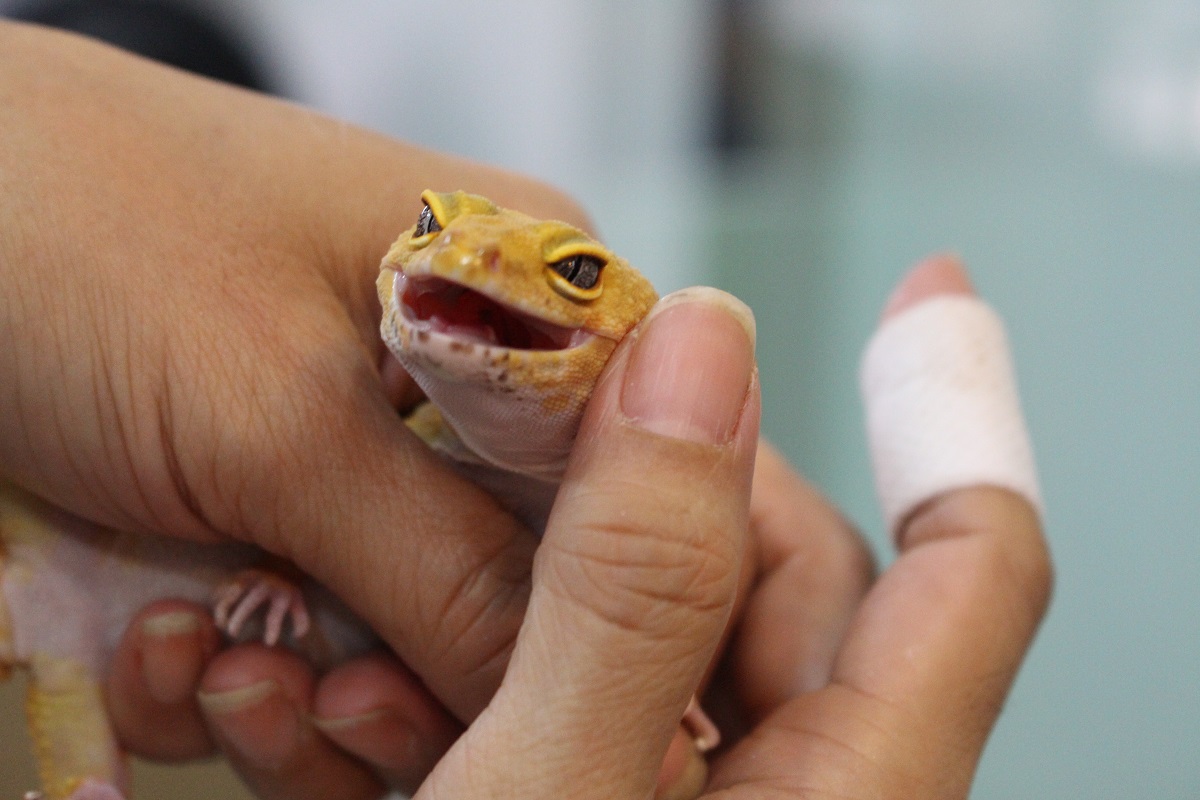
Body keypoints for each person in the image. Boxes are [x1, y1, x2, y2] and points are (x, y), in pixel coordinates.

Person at [0, 20, 1052, 800]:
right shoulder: (381, 438)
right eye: (428, 227)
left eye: (578, 274)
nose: (446, 256)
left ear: (646, 356)